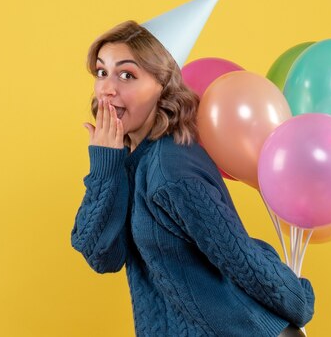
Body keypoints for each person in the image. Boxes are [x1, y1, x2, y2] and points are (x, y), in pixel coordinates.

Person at [71, 20, 314, 337]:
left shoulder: (171, 166)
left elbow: (240, 257)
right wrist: (106, 164)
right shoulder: (131, 160)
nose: (107, 88)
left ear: (162, 85)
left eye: (127, 75)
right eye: (102, 72)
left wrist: (299, 298)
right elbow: (102, 255)